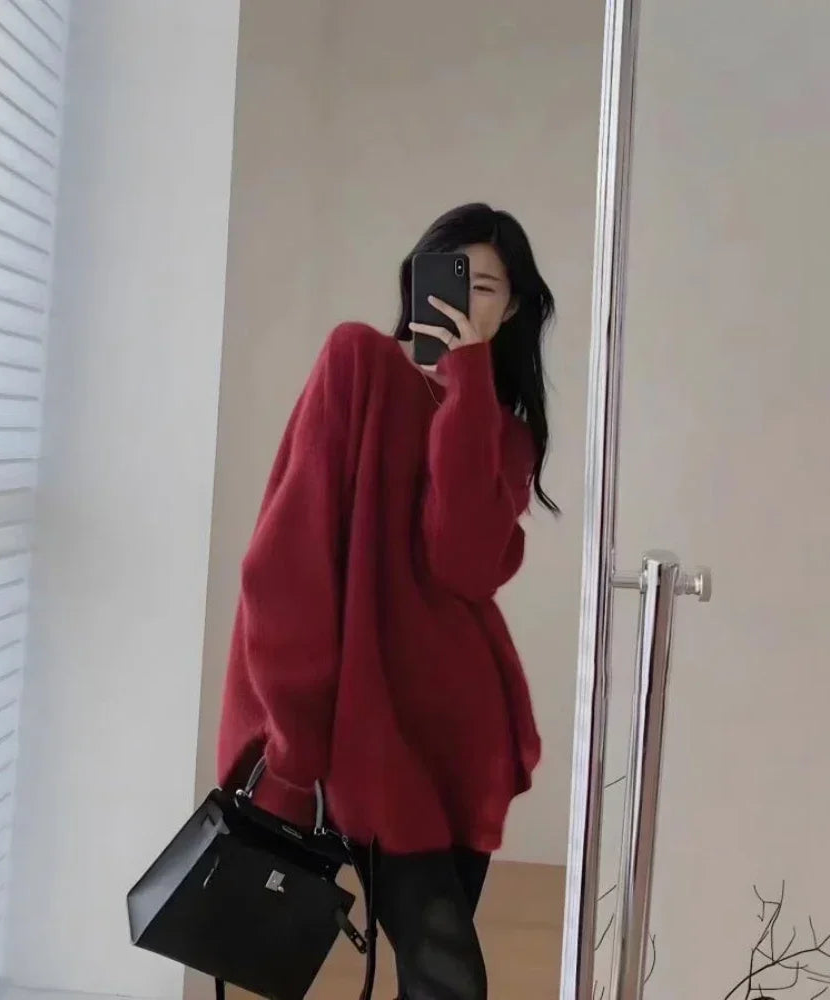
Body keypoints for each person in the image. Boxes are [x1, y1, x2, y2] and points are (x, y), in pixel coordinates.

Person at [217, 203, 557, 1000]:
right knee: (450, 982)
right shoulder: (358, 364)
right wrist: (293, 748)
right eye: (453, 276)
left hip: (463, 743)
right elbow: (287, 564)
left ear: (511, 310)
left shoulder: (502, 433)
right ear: (417, 281)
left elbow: (462, 563)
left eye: (487, 288)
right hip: (369, 739)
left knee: (430, 977)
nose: (466, 298)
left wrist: (467, 384)